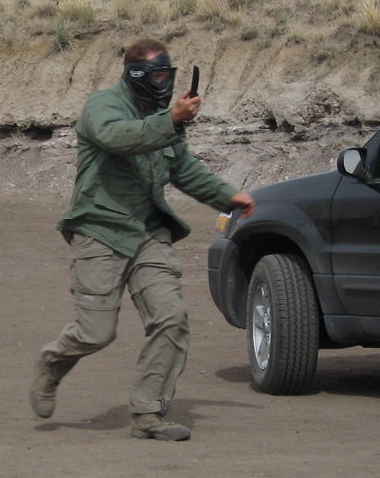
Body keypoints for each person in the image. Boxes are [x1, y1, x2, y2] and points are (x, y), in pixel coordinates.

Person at [29, 39, 254, 441]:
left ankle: (148, 412)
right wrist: (171, 119)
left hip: (148, 234)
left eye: (168, 74)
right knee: (96, 332)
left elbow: (184, 169)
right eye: (157, 75)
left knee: (170, 318)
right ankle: (52, 363)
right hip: (100, 231)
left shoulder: (161, 117)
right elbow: (119, 138)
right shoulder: (104, 107)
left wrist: (228, 196)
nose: (165, 82)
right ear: (136, 76)